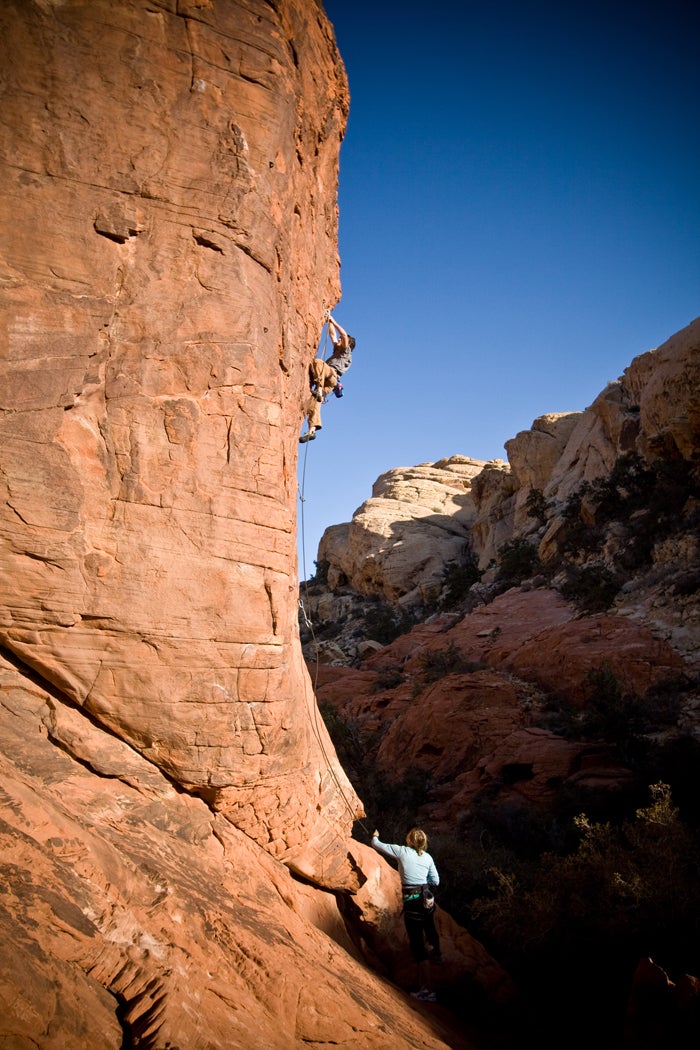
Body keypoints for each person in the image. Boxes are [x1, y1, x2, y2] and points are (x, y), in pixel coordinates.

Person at [371, 827, 442, 1002]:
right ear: (423, 842)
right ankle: (435, 951)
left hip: (412, 904)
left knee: (418, 947)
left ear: (409, 840)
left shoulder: (402, 851)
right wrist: (422, 879)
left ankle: (428, 990)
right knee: (427, 928)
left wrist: (375, 835)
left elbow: (376, 844)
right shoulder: (427, 857)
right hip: (427, 901)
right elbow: (436, 881)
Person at [299, 315, 355, 443]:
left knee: (318, 362)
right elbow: (332, 335)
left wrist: (334, 321)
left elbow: (344, 335)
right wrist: (329, 320)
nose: (339, 340)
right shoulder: (337, 351)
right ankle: (311, 430)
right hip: (328, 381)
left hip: (330, 375)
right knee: (314, 403)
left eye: (341, 340)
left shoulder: (346, 351)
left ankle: (318, 390)